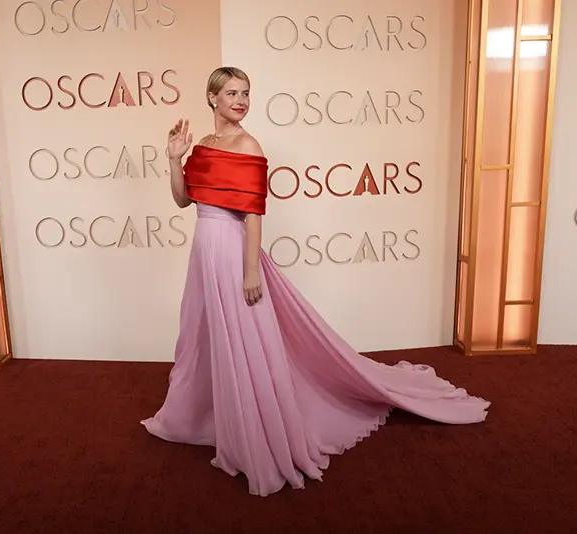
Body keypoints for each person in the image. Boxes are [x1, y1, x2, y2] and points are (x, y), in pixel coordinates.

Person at [141, 66, 490, 497]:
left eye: (246, 93)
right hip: (203, 252)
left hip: (232, 251)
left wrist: (251, 270)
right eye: (231, 93)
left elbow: (252, 214)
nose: (241, 100)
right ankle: (215, 416)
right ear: (211, 98)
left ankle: (256, 432)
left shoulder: (248, 144)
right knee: (203, 337)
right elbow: (182, 200)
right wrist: (173, 158)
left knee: (245, 337)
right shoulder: (205, 145)